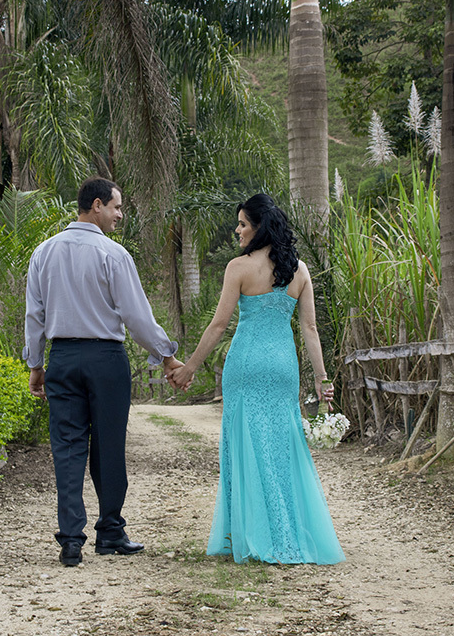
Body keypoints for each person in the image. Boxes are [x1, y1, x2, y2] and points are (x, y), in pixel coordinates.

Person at [169, 193, 345, 565]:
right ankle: (286, 530)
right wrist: (321, 378)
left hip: (246, 365)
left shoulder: (238, 268)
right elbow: (309, 328)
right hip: (282, 365)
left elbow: (219, 326)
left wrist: (190, 367)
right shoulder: (299, 270)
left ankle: (248, 532)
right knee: (281, 445)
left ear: (259, 227)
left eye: (243, 224)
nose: (237, 230)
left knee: (246, 444)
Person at [23, 177, 184, 567]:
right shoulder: (113, 255)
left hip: (62, 358)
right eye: (116, 207)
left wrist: (36, 365)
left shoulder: (43, 253)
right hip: (106, 360)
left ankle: (71, 540)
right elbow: (136, 315)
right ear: (97, 205)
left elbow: (35, 315)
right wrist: (165, 355)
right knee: (109, 446)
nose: (119, 215)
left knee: (67, 447)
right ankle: (110, 532)